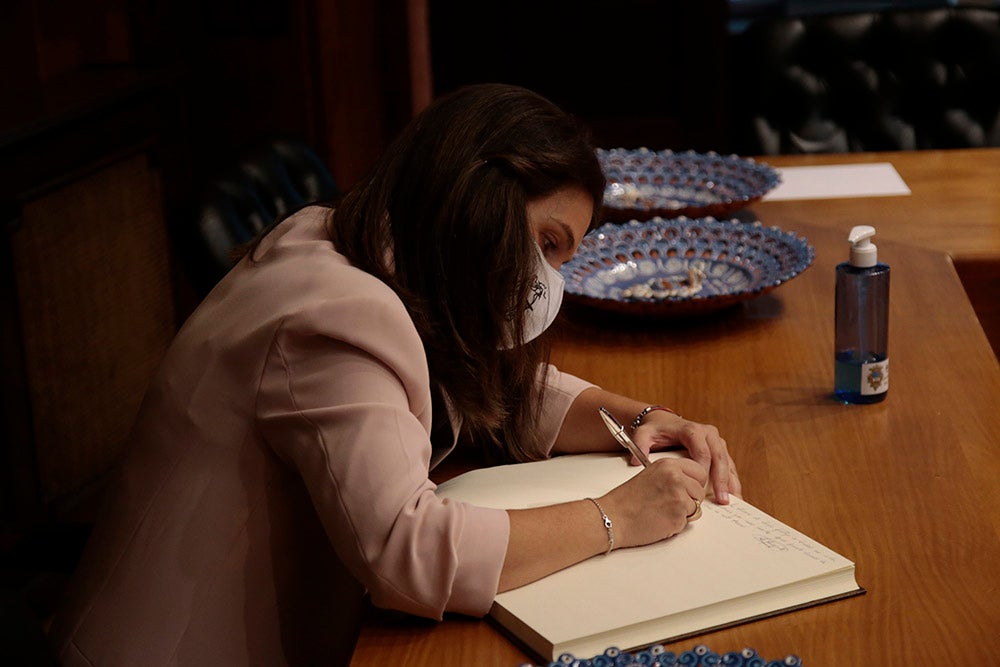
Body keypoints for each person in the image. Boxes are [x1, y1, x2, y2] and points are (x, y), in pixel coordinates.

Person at [48, 83, 741, 666]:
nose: (546, 282)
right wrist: (615, 515)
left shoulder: (365, 242)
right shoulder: (341, 315)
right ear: (479, 193)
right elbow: (405, 553)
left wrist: (645, 420)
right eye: (547, 244)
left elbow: (496, 390)